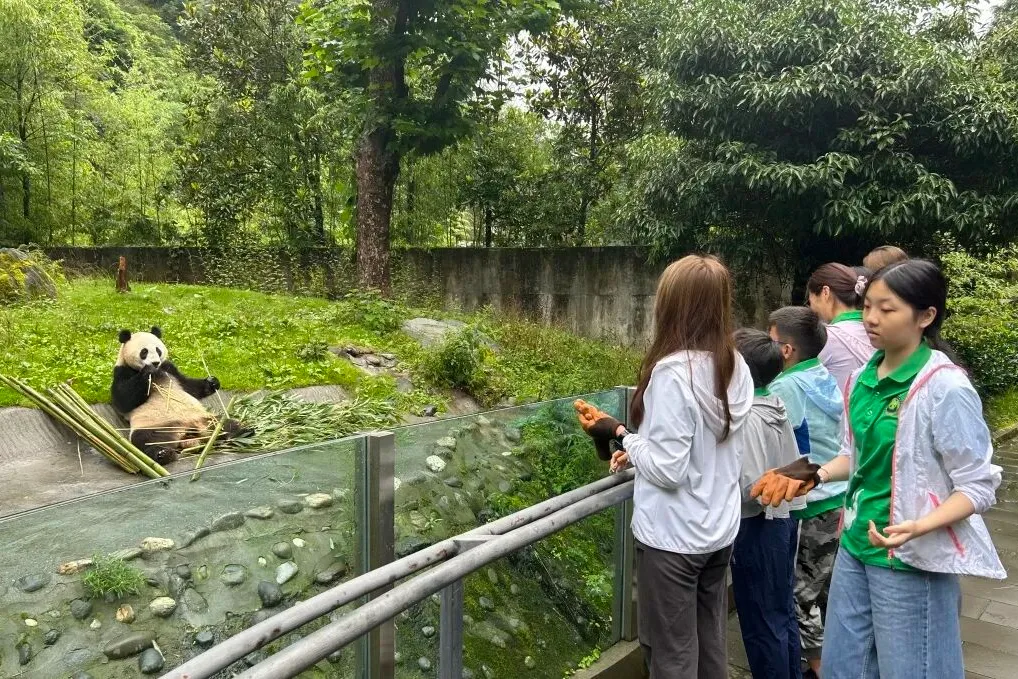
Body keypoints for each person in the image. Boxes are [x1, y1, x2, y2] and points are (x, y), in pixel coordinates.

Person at [759, 259, 1006, 678]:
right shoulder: (860, 379)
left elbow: (978, 485)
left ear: (926, 316)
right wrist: (814, 475)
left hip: (911, 559)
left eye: (887, 309)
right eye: (868, 305)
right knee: (844, 668)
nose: (871, 319)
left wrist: (922, 525)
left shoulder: (944, 387)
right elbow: (853, 456)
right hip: (855, 547)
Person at [576, 255, 754, 678]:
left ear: (672, 306)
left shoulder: (674, 374)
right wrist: (640, 449)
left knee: (670, 653)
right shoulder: (735, 364)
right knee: (708, 643)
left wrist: (618, 432)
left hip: (673, 539)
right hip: (718, 530)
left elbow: (669, 469)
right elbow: (697, 448)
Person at [768, 307, 846, 678]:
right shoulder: (823, 375)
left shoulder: (785, 387)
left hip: (810, 499)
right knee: (826, 587)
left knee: (801, 592)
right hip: (838, 494)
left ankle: (819, 669)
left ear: (785, 350)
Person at [731, 328, 805, 679]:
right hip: (784, 521)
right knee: (780, 612)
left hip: (756, 526)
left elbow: (753, 487)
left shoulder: (746, 418)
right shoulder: (774, 404)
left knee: (761, 623)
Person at [806, 263, 877, 393]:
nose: (811, 308)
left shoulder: (825, 337)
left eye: (810, 301)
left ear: (825, 292)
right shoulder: (879, 331)